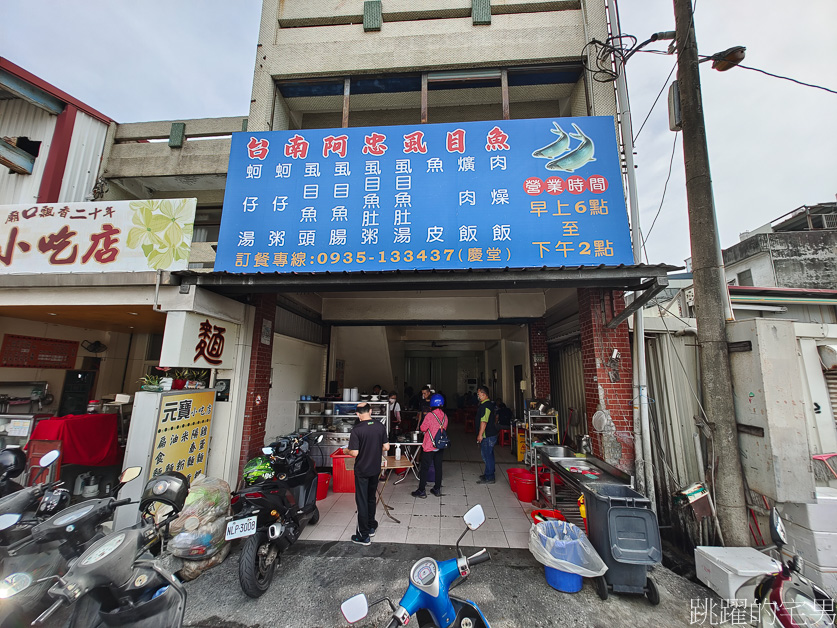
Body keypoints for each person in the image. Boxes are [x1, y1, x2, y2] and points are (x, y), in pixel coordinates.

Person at [347, 403, 389, 545]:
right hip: (375, 469)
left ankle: (364, 535)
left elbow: (354, 453)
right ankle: (371, 526)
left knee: (362, 501)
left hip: (362, 470)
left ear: (357, 414)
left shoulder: (357, 430)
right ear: (370, 411)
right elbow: (386, 446)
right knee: (371, 497)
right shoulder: (379, 426)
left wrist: (346, 450)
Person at [412, 393, 448, 499]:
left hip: (429, 445)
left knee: (424, 468)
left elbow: (423, 428)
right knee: (438, 467)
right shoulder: (445, 416)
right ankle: (437, 489)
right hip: (440, 445)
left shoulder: (430, 415)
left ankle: (421, 490)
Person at [476, 386, 498, 484]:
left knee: (486, 456)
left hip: (487, 435)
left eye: (479, 394)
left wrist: (480, 435)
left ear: (484, 394)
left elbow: (484, 421)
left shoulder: (486, 406)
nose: (478, 396)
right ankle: (488, 473)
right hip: (490, 434)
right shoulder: (487, 404)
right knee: (489, 455)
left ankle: (489, 477)